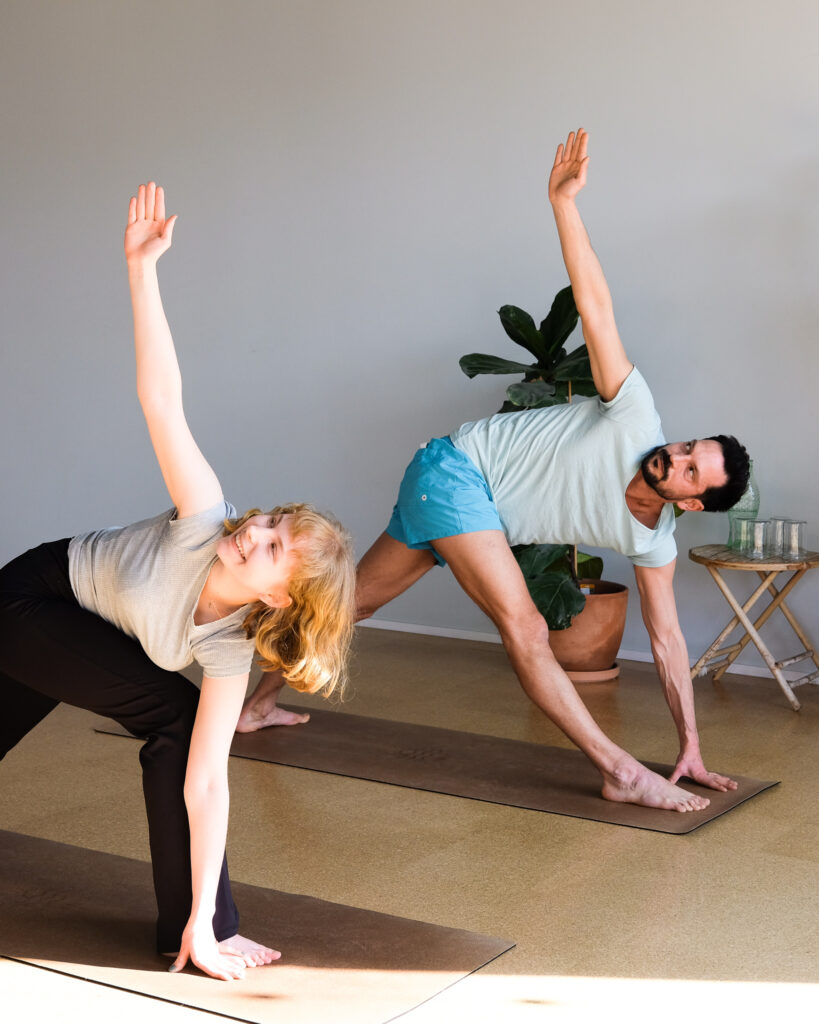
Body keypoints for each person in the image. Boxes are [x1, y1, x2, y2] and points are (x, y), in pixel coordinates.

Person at [239, 130, 750, 814]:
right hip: (456, 472)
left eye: (690, 471)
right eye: (688, 448)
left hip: (456, 498)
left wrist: (690, 744)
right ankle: (619, 771)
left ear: (690, 504)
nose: (676, 457)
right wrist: (563, 204)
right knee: (528, 628)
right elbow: (596, 308)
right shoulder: (633, 415)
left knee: (349, 604)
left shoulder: (651, 542)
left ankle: (253, 705)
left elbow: (666, 641)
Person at [0, 183, 356, 980]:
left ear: (278, 599)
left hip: (77, 635)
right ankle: (199, 931)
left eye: (272, 546)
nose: (251, 532)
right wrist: (142, 270)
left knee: (185, 728)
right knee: (172, 710)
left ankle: (196, 927)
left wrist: (204, 911)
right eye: (269, 522)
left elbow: (207, 781)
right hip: (31, 600)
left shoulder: (230, 647)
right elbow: (162, 400)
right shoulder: (203, 519)